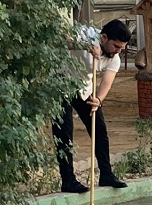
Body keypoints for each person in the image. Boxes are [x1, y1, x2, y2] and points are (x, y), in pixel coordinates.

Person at [53, 19, 131, 193]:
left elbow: (107, 82)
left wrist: (99, 99)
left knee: (99, 130)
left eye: (121, 48)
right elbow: (60, 36)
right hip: (60, 84)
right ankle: (68, 180)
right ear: (104, 38)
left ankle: (106, 174)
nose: (118, 51)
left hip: (83, 88)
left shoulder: (115, 58)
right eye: (116, 46)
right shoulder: (85, 35)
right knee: (64, 133)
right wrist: (86, 46)